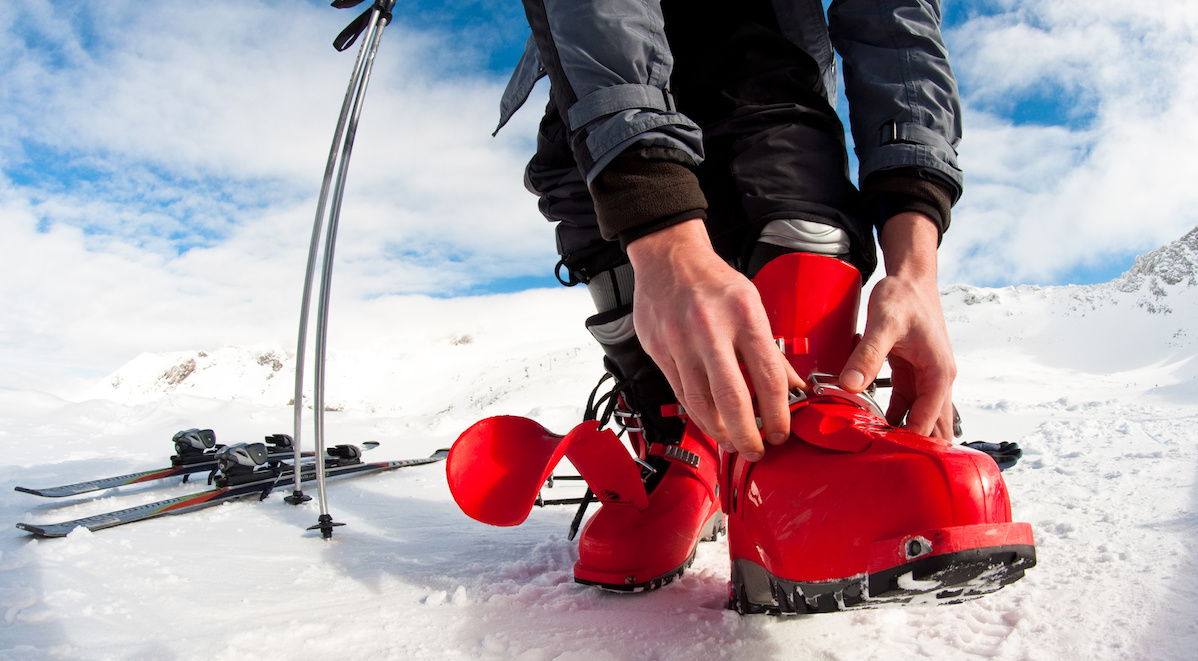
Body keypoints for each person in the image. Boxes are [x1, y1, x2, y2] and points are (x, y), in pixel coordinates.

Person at [491, 0, 982, 603]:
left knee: (792, 194)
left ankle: (802, 445)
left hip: (763, 40)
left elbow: (893, 19)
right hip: (598, 53)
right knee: (592, 203)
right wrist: (660, 229)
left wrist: (915, 265)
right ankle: (681, 444)